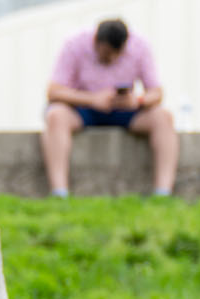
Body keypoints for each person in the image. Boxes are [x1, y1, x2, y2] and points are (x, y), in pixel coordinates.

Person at [41, 18, 179, 198]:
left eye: (116, 54)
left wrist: (137, 100)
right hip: (84, 108)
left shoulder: (140, 47)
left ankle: (163, 193)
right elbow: (53, 92)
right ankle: (59, 192)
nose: (111, 59)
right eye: (106, 54)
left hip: (124, 110)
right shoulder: (74, 45)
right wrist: (92, 99)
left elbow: (157, 93)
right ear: (95, 42)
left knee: (164, 117)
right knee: (55, 115)